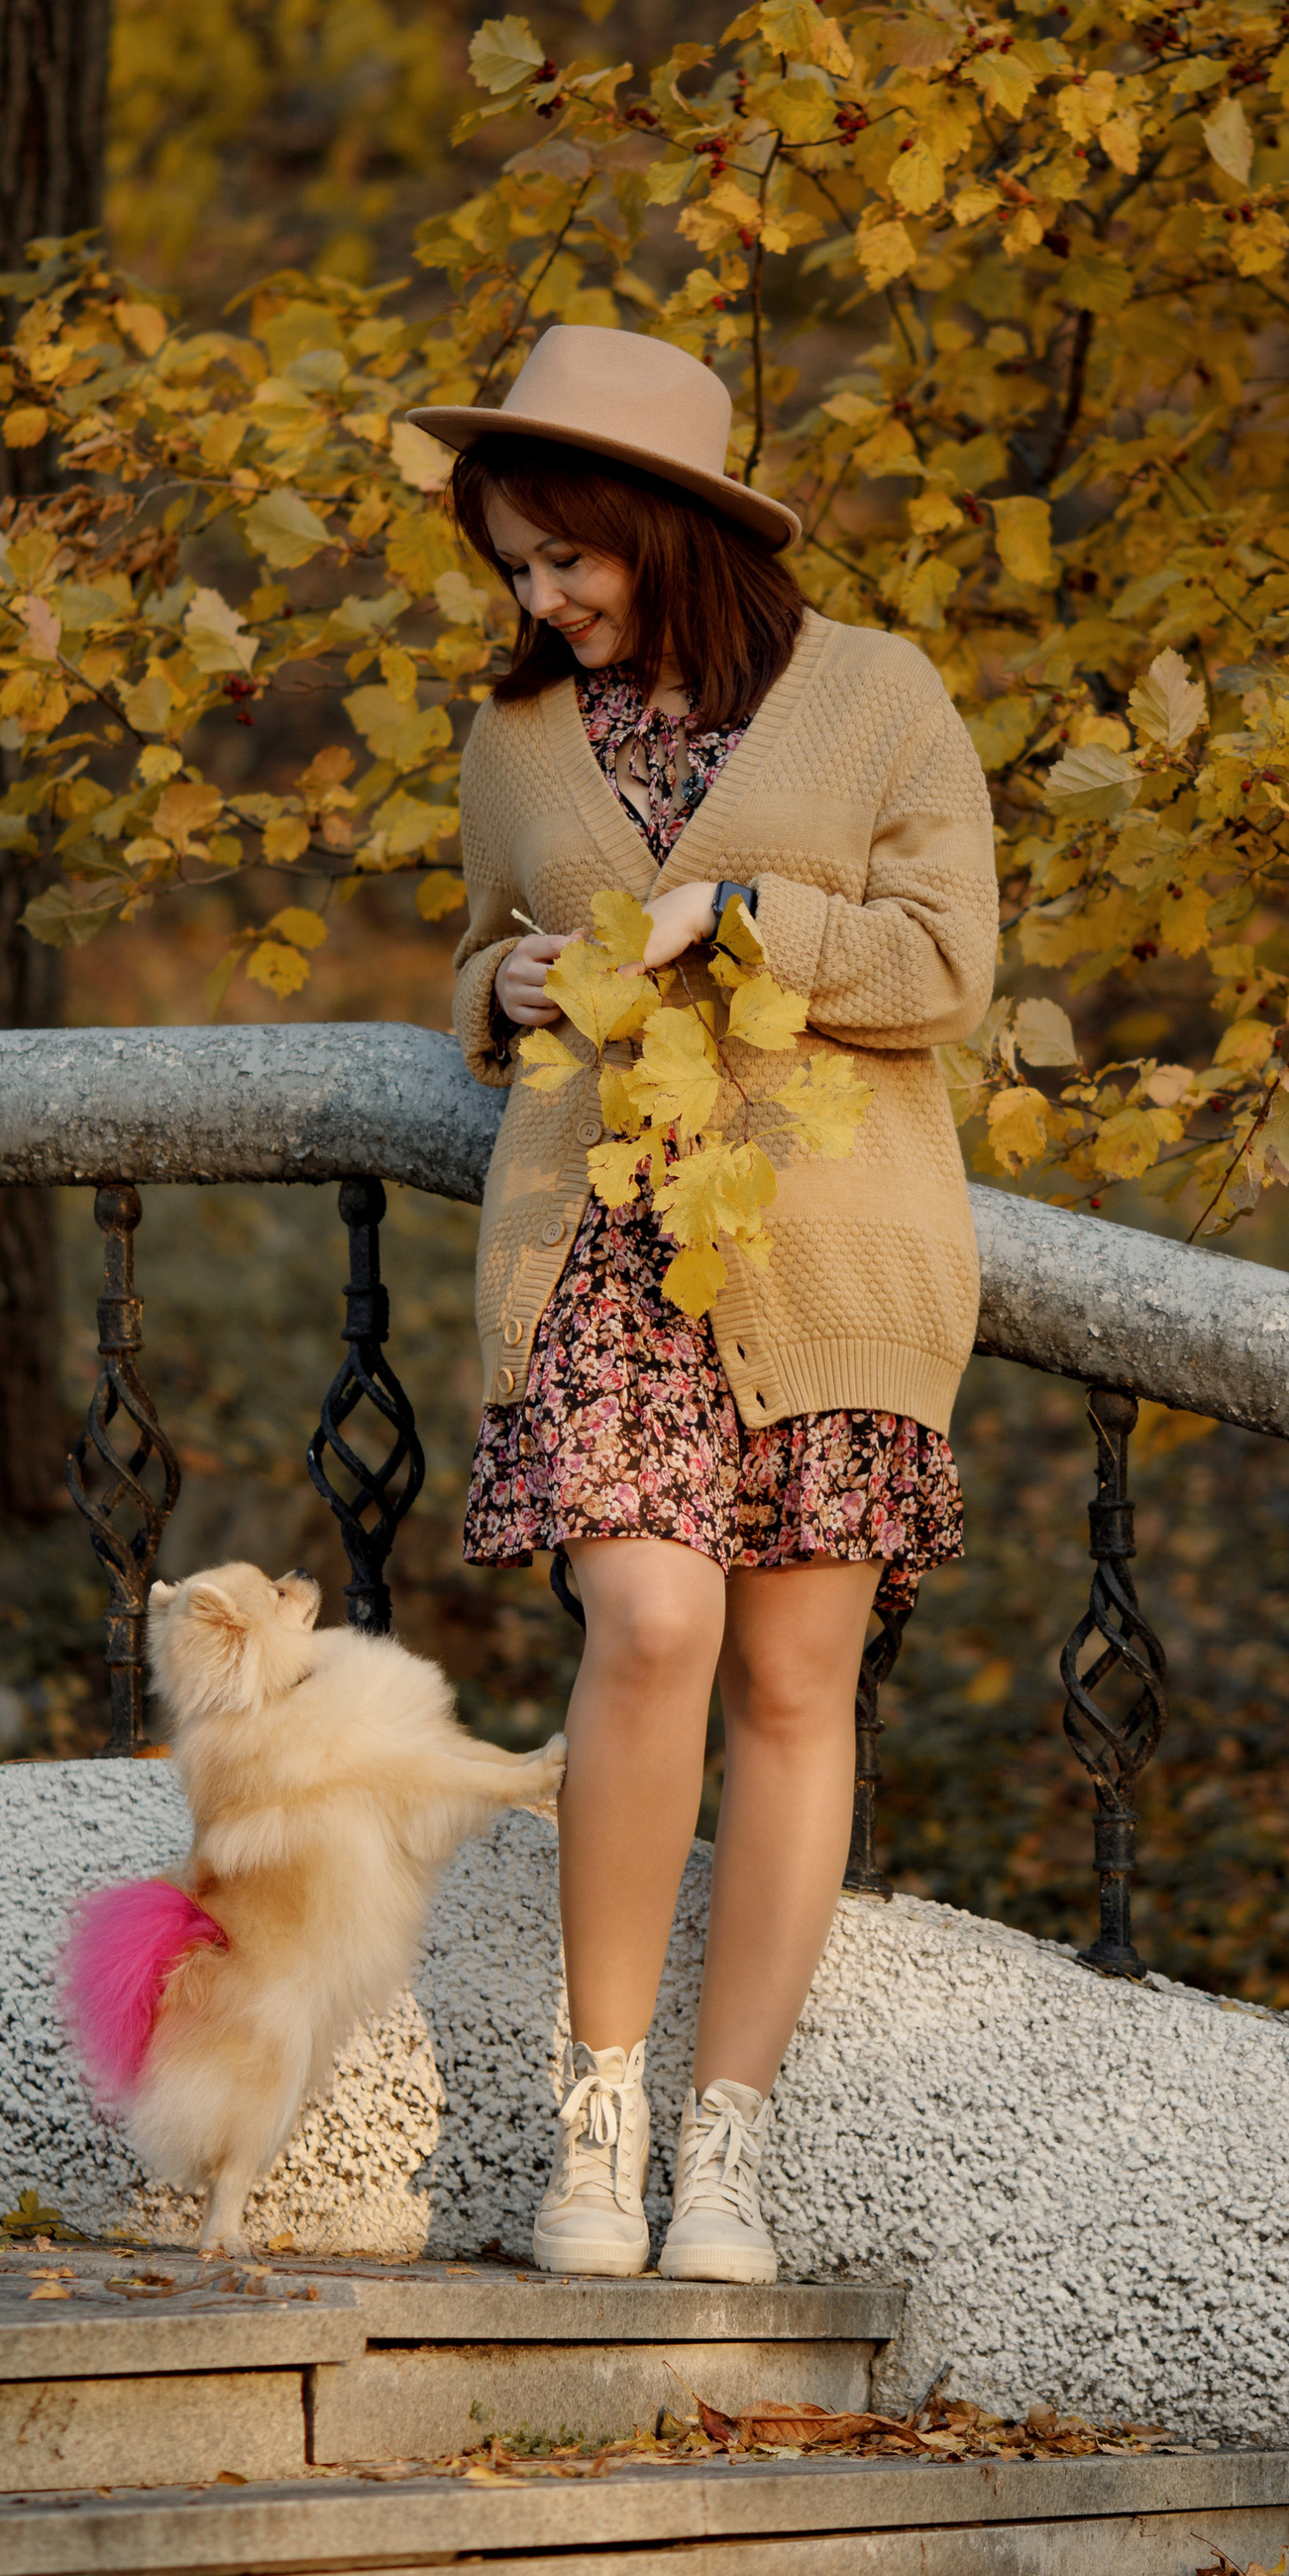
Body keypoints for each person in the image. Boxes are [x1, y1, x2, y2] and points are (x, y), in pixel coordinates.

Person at [408, 322, 999, 2283]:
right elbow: (485, 945)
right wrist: (488, 994)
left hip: (829, 1248)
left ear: (661, 529)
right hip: (596, 1244)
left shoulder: (879, 696)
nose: (539, 598)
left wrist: (732, 918)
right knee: (650, 1628)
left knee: (790, 1682)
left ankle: (722, 2151)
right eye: (512, 568)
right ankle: (594, 2134)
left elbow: (938, 969)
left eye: (562, 558)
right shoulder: (509, 742)